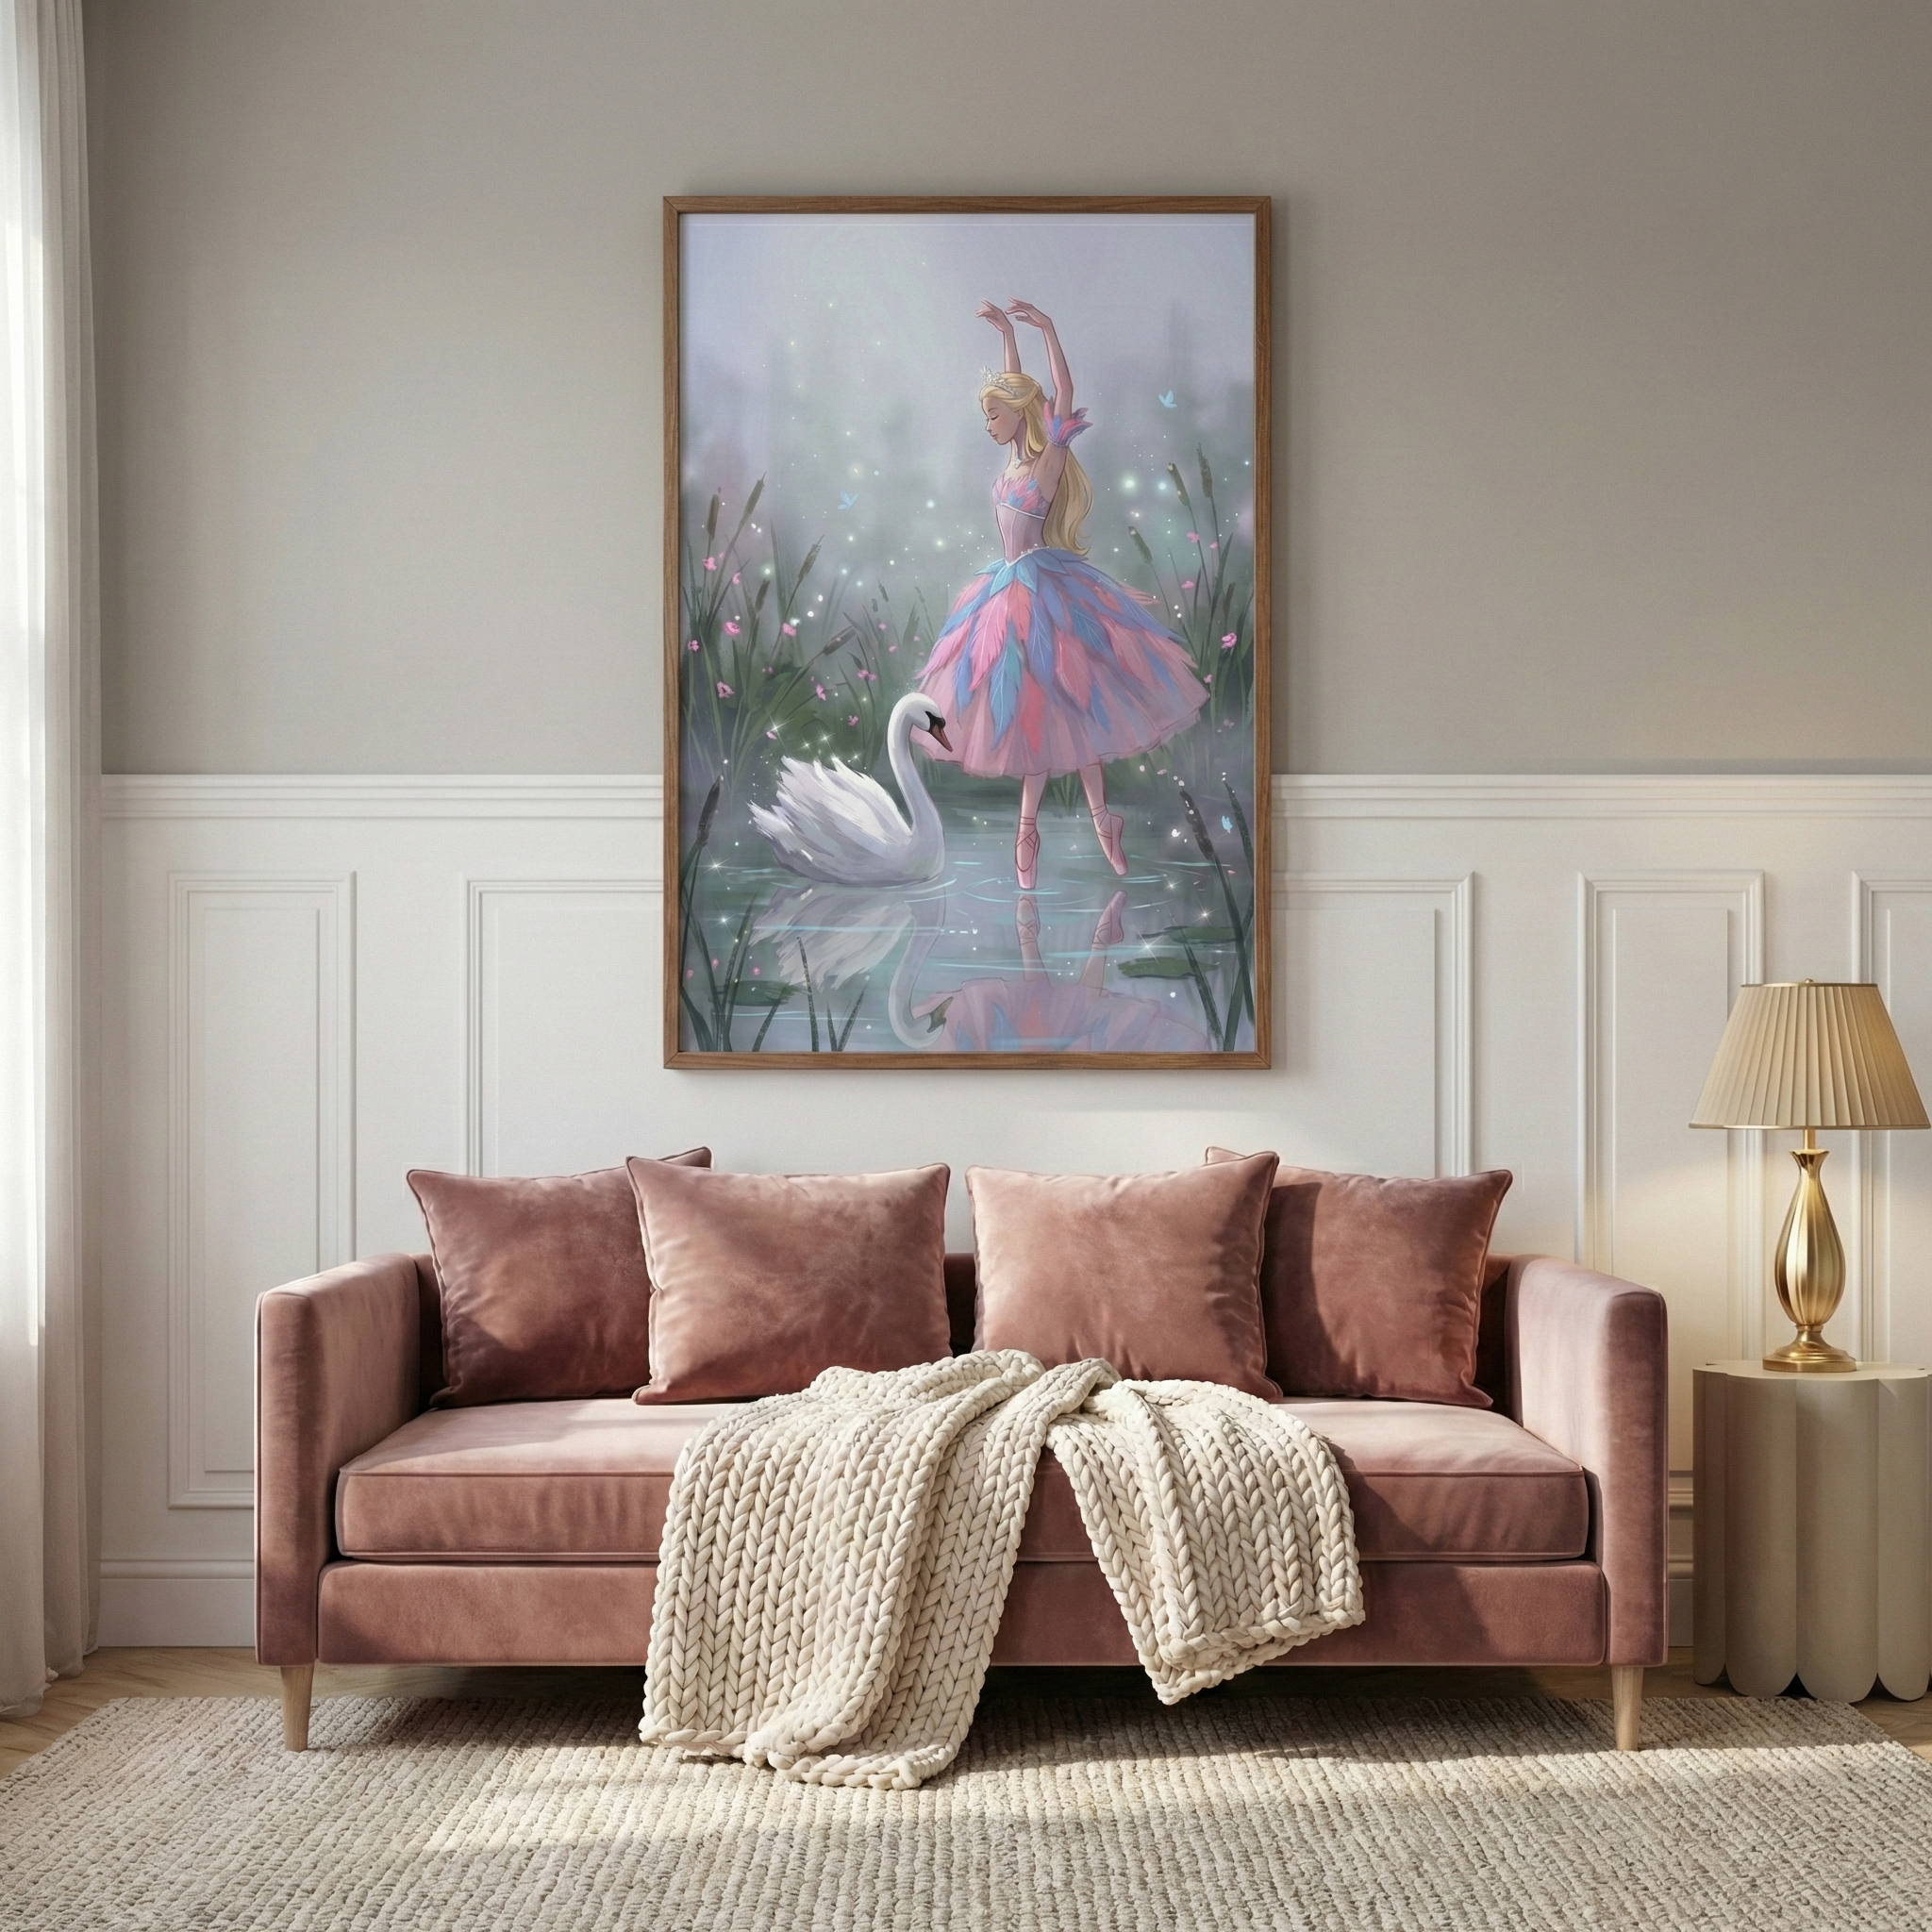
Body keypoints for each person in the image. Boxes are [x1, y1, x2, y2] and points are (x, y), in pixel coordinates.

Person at [914, 299, 1208, 889]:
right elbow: (1015, 388)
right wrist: (1005, 337)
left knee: (1073, 703)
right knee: (1036, 709)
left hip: (1049, 592)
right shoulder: (1012, 466)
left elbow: (1059, 392)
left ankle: (1091, 823)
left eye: (996, 416)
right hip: (1007, 593)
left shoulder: (1048, 463)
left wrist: (1047, 328)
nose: (990, 424)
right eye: (988, 416)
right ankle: (1048, 829)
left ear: (1021, 417)